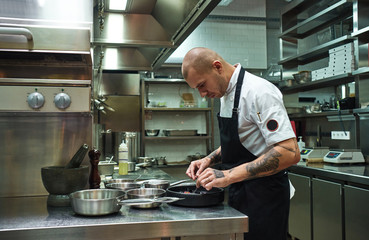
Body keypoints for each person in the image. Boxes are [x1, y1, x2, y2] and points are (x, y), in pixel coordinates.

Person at [181, 47, 300, 240]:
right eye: (197, 89)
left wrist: (228, 175)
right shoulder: (225, 93)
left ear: (217, 67)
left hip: (266, 197)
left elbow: (289, 152)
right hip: (241, 191)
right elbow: (243, 139)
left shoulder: (259, 91)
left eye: (202, 85)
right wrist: (209, 159)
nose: (202, 94)